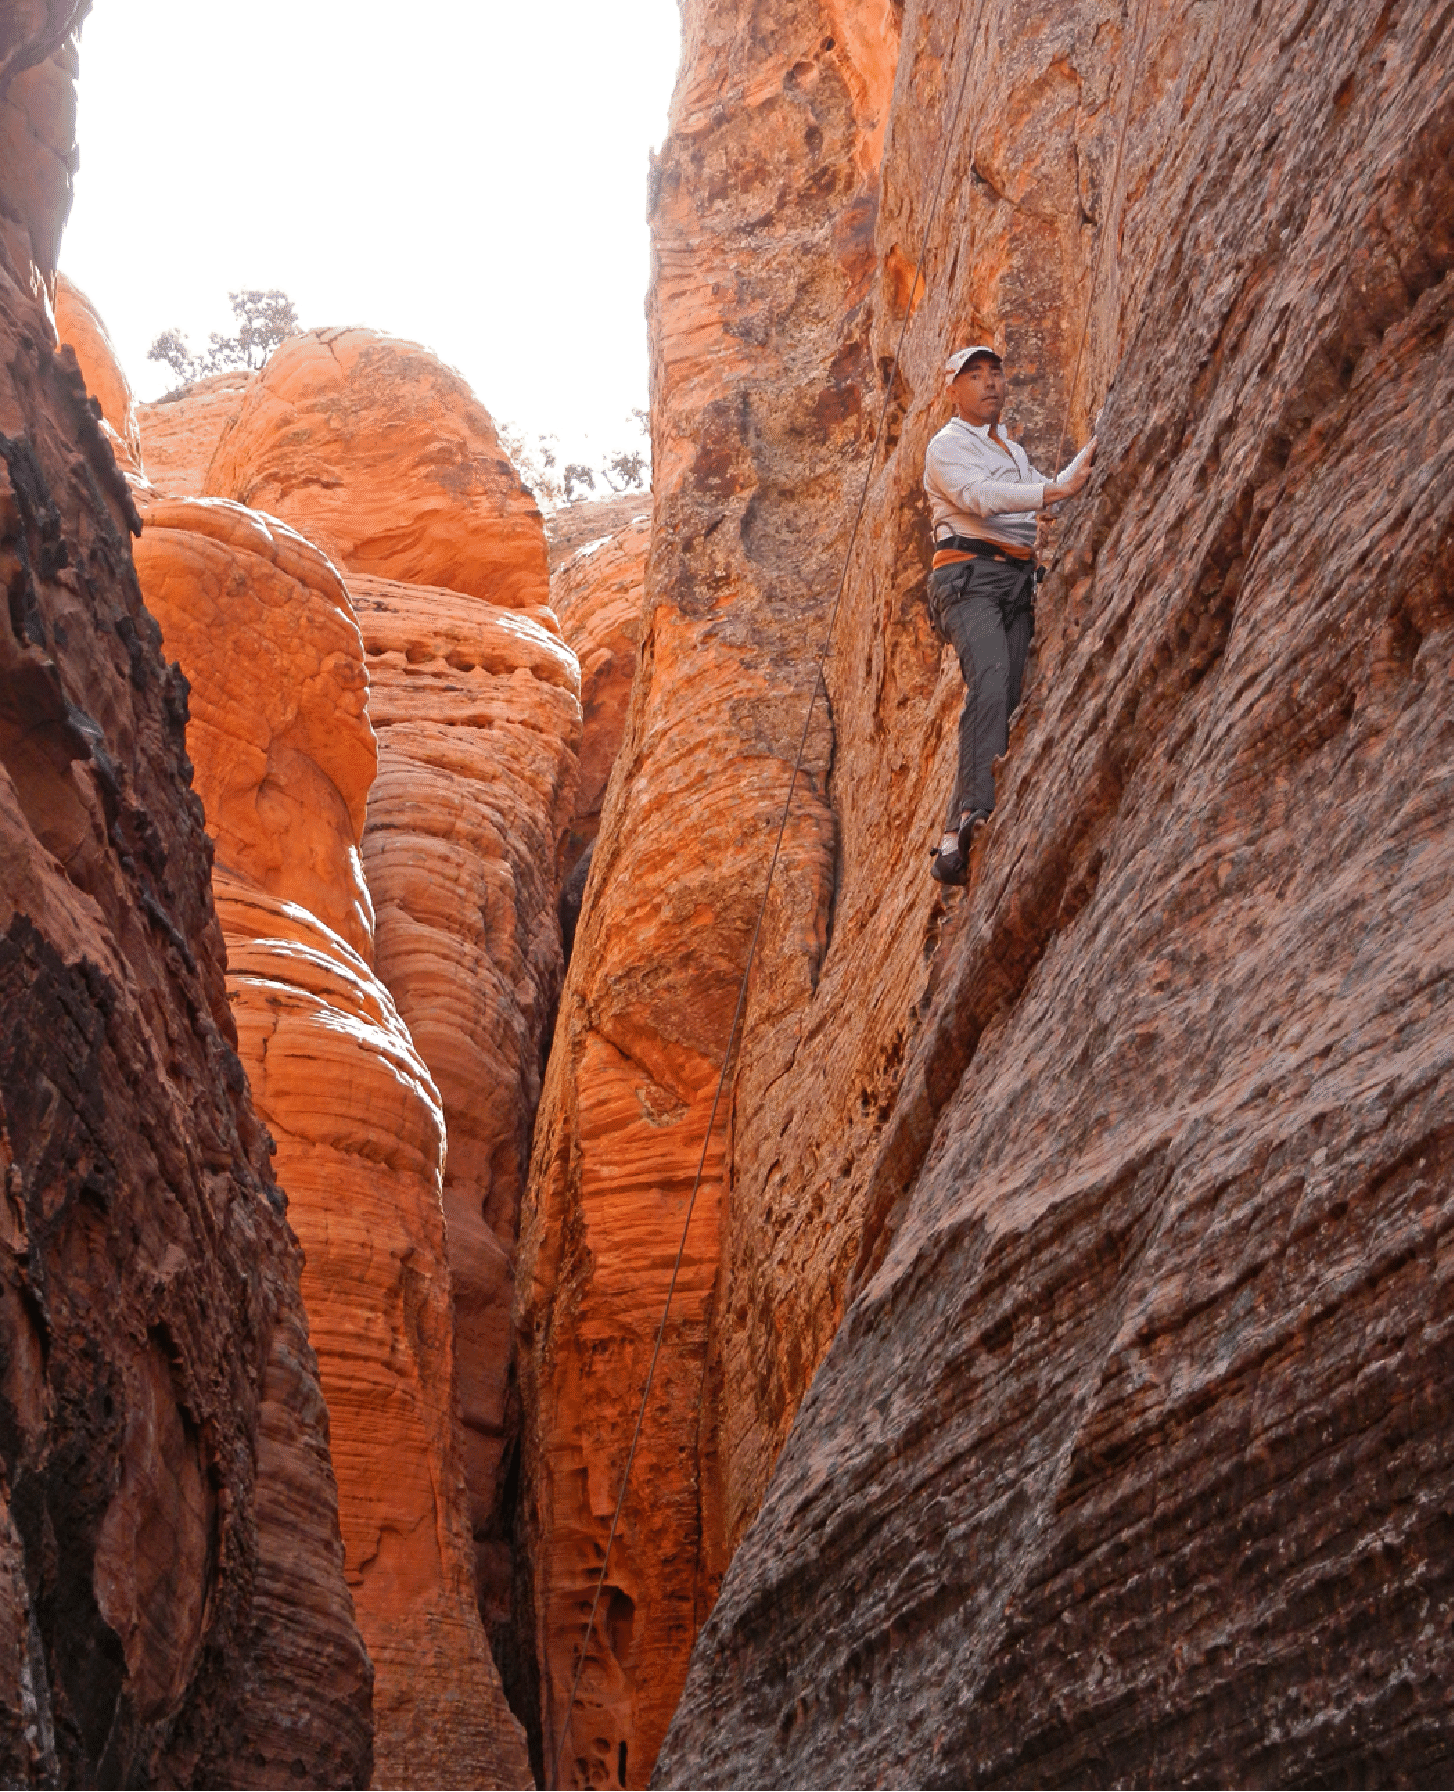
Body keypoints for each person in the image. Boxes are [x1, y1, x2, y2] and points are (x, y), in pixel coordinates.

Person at [922, 343, 1097, 885]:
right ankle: (975, 808)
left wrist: (1092, 452)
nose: (989, 384)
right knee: (992, 678)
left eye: (994, 373)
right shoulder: (946, 446)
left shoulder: (1013, 452)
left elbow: (1046, 491)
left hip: (1017, 579)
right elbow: (979, 498)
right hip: (968, 577)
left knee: (1011, 694)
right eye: (974, 376)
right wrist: (1055, 488)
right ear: (953, 390)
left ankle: (953, 838)